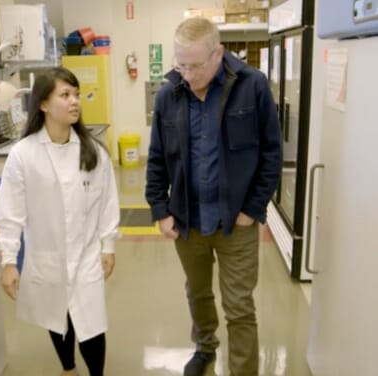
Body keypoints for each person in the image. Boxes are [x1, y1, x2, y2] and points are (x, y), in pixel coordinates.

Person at [145, 17, 282, 376]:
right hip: (188, 220)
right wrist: (161, 210)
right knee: (199, 294)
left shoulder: (252, 86)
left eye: (195, 65)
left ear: (218, 53)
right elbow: (157, 157)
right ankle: (205, 348)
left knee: (239, 306)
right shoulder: (168, 95)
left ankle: (243, 371)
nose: (187, 75)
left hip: (236, 221)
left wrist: (252, 209)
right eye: (181, 65)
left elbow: (271, 153)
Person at [0, 67, 120, 376]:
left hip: (87, 252)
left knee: (91, 322)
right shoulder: (23, 155)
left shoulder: (94, 152)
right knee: (57, 315)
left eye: (76, 94)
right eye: (65, 95)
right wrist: (9, 261)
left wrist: (108, 245)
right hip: (47, 252)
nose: (75, 101)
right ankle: (68, 369)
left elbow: (107, 202)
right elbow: (9, 213)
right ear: (44, 104)